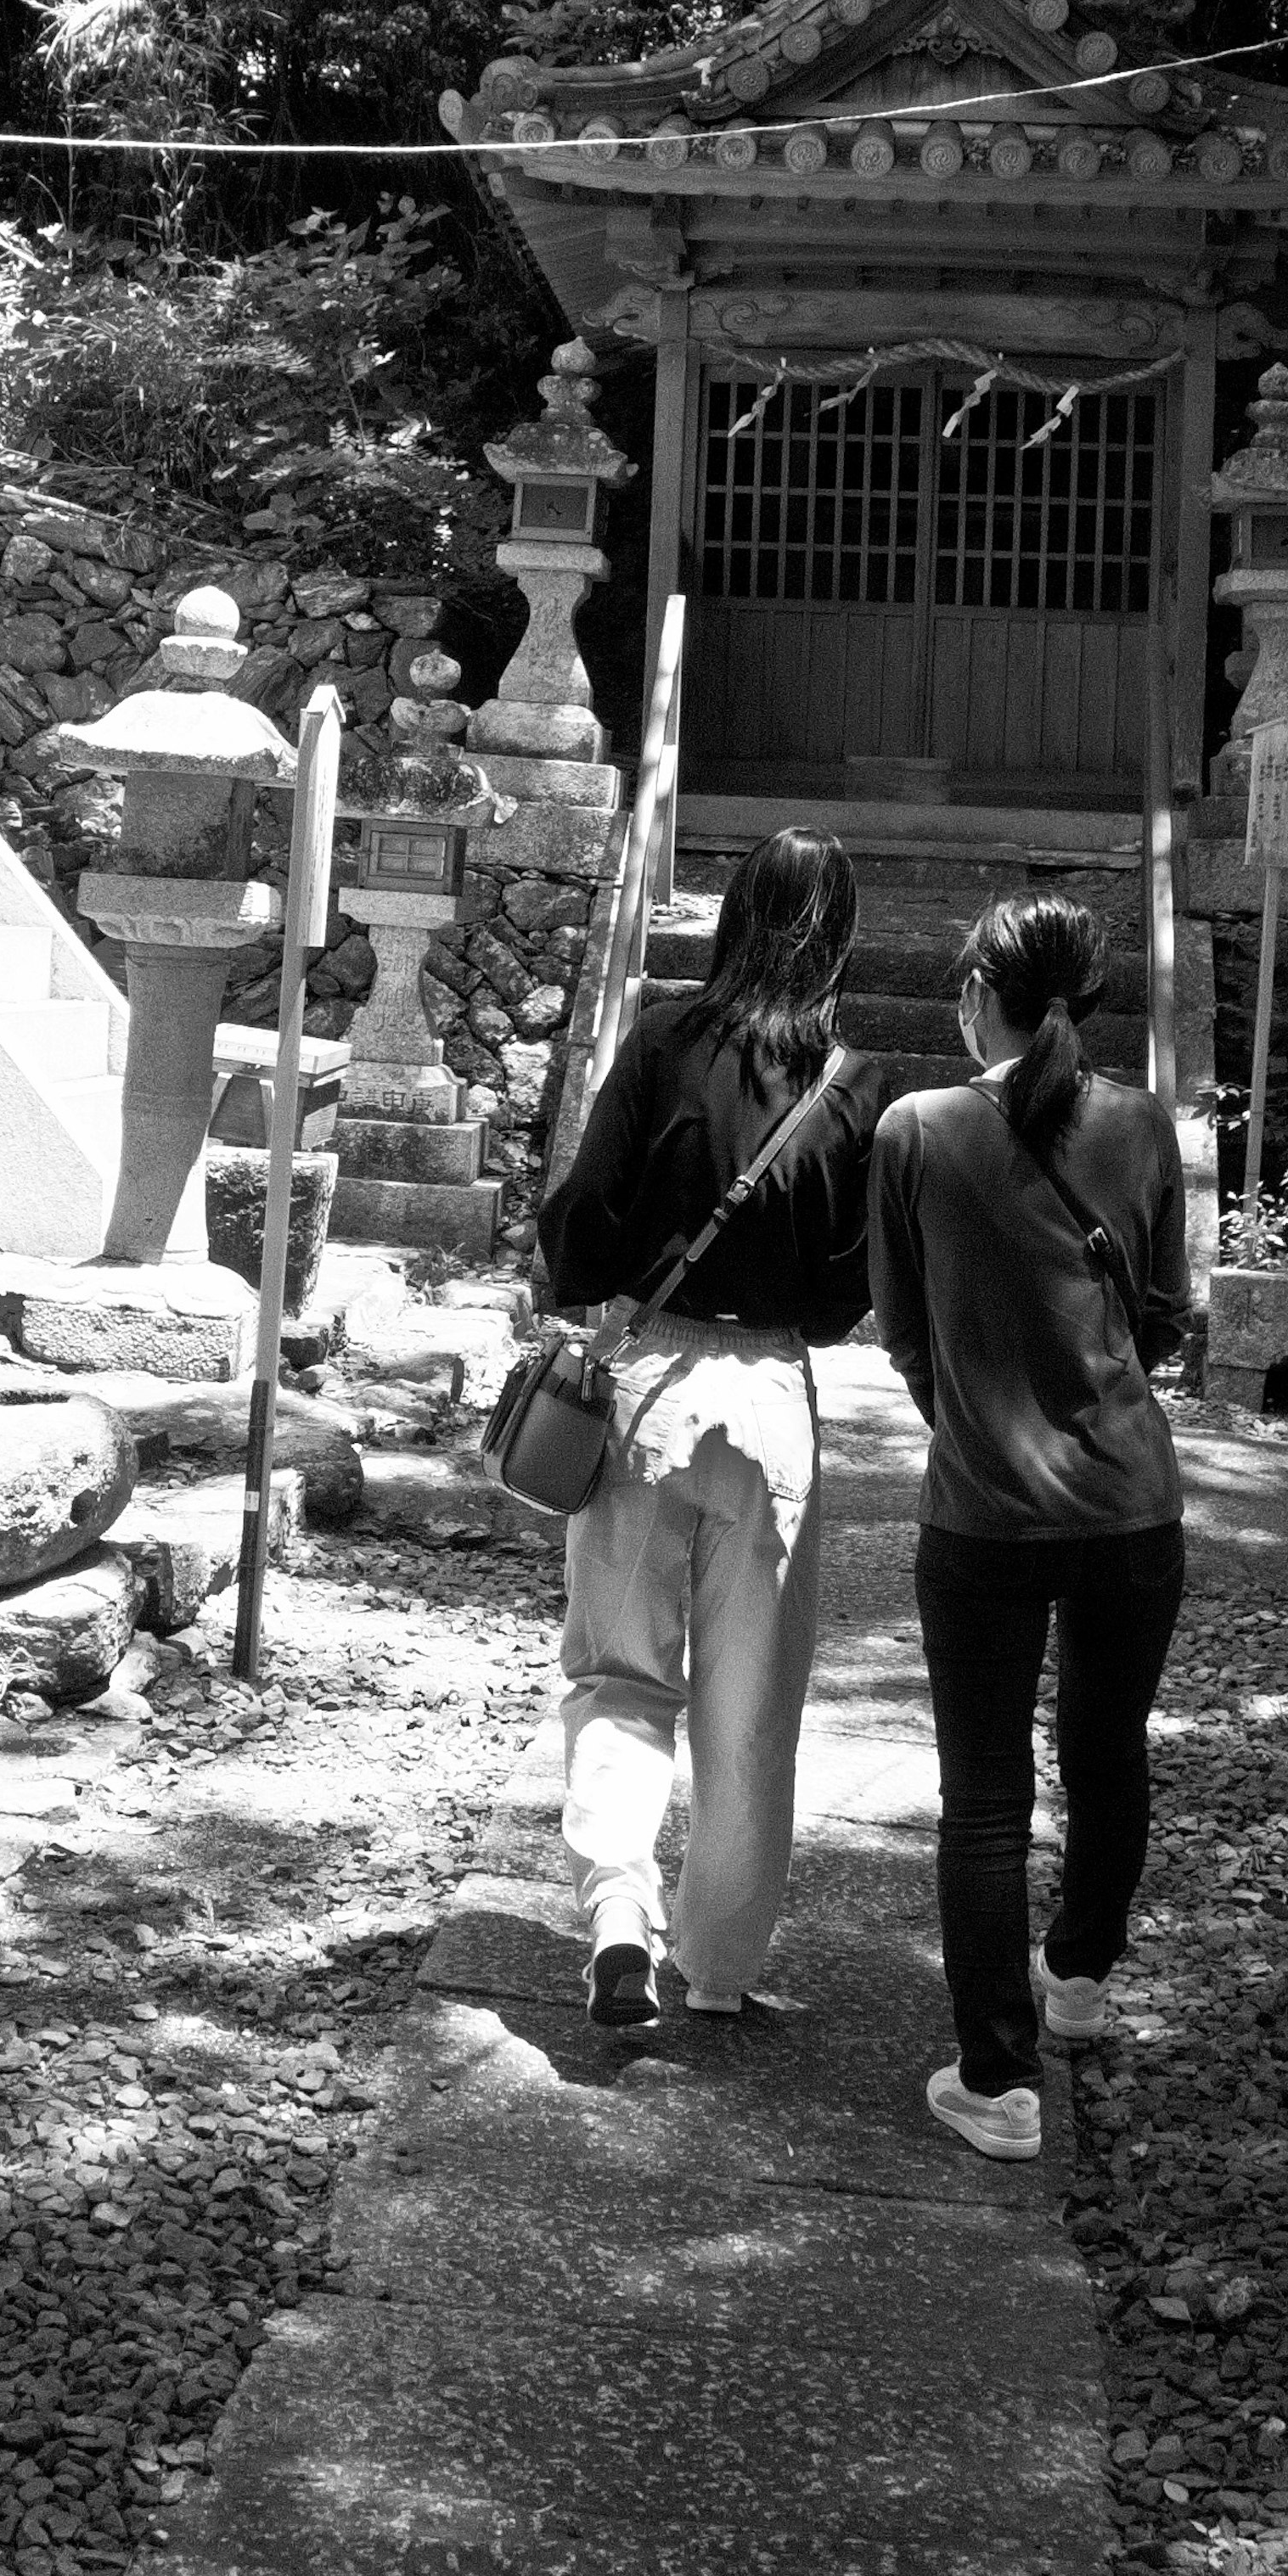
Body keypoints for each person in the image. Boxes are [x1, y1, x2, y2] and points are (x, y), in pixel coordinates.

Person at [535, 828, 889, 2034]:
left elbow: (584, 1205)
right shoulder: (856, 1082)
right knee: (751, 1713)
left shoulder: (662, 1036)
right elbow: (852, 1285)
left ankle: (620, 1914)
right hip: (772, 1399)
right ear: (838, 935)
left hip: (650, 1378)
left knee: (621, 1674)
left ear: (734, 914)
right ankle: (721, 1970)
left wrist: (590, 1291)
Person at [869, 888, 1191, 2158]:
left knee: (987, 1799)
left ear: (975, 996)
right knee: (1108, 1751)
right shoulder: (1140, 1123)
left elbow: (901, 1332)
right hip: (1130, 1505)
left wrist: (973, 1409)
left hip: (983, 1517)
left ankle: (997, 2084)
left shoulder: (914, 1130)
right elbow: (1164, 1314)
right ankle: (1082, 1977)